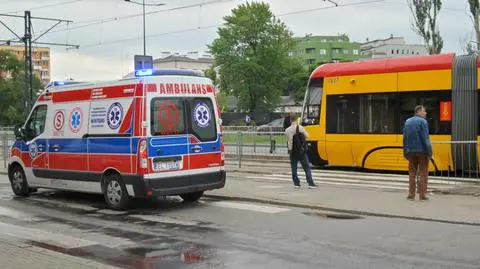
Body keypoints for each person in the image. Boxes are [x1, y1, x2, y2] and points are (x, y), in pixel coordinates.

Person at [403, 105, 432, 201]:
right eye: (424, 111)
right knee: (423, 173)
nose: (425, 113)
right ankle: (422, 195)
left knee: (412, 173)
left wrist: (405, 151)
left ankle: (411, 194)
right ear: (418, 111)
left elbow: (405, 138)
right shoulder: (423, 122)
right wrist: (429, 152)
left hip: (410, 151)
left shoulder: (407, 122)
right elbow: (425, 138)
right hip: (422, 151)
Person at [285, 115, 317, 189]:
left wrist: (290, 149)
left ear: (290, 120)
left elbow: (288, 141)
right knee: (306, 167)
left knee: (294, 167)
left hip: (292, 151)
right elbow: (307, 136)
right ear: (296, 120)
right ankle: (310, 183)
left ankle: (296, 184)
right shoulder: (300, 127)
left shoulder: (287, 130)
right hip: (301, 150)